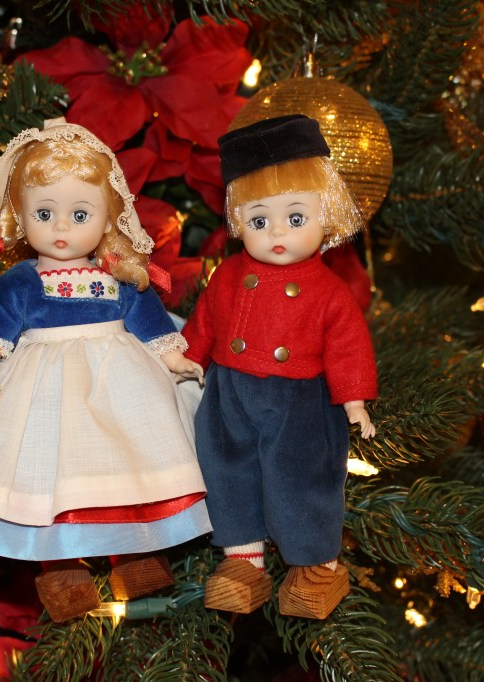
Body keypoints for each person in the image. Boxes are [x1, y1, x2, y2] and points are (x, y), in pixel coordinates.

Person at [0, 119, 209, 622]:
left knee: (131, 460)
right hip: (41, 384)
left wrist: (172, 357)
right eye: (44, 213)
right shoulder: (19, 282)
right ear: (21, 217)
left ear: (107, 218)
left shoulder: (119, 276)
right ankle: (62, 571)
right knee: (43, 472)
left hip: (120, 382)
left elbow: (149, 321)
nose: (62, 228)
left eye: (80, 214)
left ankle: (137, 557)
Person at [181, 114, 378, 619]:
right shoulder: (228, 274)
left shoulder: (328, 291)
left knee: (301, 475)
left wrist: (354, 399)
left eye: (295, 218)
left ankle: (315, 565)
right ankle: (243, 560)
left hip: (299, 398)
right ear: (238, 223)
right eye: (258, 220)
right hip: (229, 390)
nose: (275, 233)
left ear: (326, 216)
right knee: (226, 467)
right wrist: (186, 358)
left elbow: (348, 344)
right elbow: (207, 320)